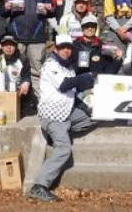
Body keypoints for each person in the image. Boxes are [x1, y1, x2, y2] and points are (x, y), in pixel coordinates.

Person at [27, 35, 96, 203]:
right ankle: (39, 186)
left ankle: (60, 134)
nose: (66, 50)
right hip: (52, 115)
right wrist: (86, 77)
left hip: (67, 111)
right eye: (62, 47)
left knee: (98, 114)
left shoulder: (68, 67)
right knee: (64, 149)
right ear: (55, 49)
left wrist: (85, 105)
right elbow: (65, 85)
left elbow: (72, 93)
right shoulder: (51, 65)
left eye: (68, 47)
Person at [4, 0, 54, 100]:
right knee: (16, 70)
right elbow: (3, 13)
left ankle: (40, 101)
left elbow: (52, 12)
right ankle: (17, 101)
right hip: (17, 38)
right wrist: (5, 7)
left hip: (37, 38)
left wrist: (50, 9)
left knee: (37, 71)